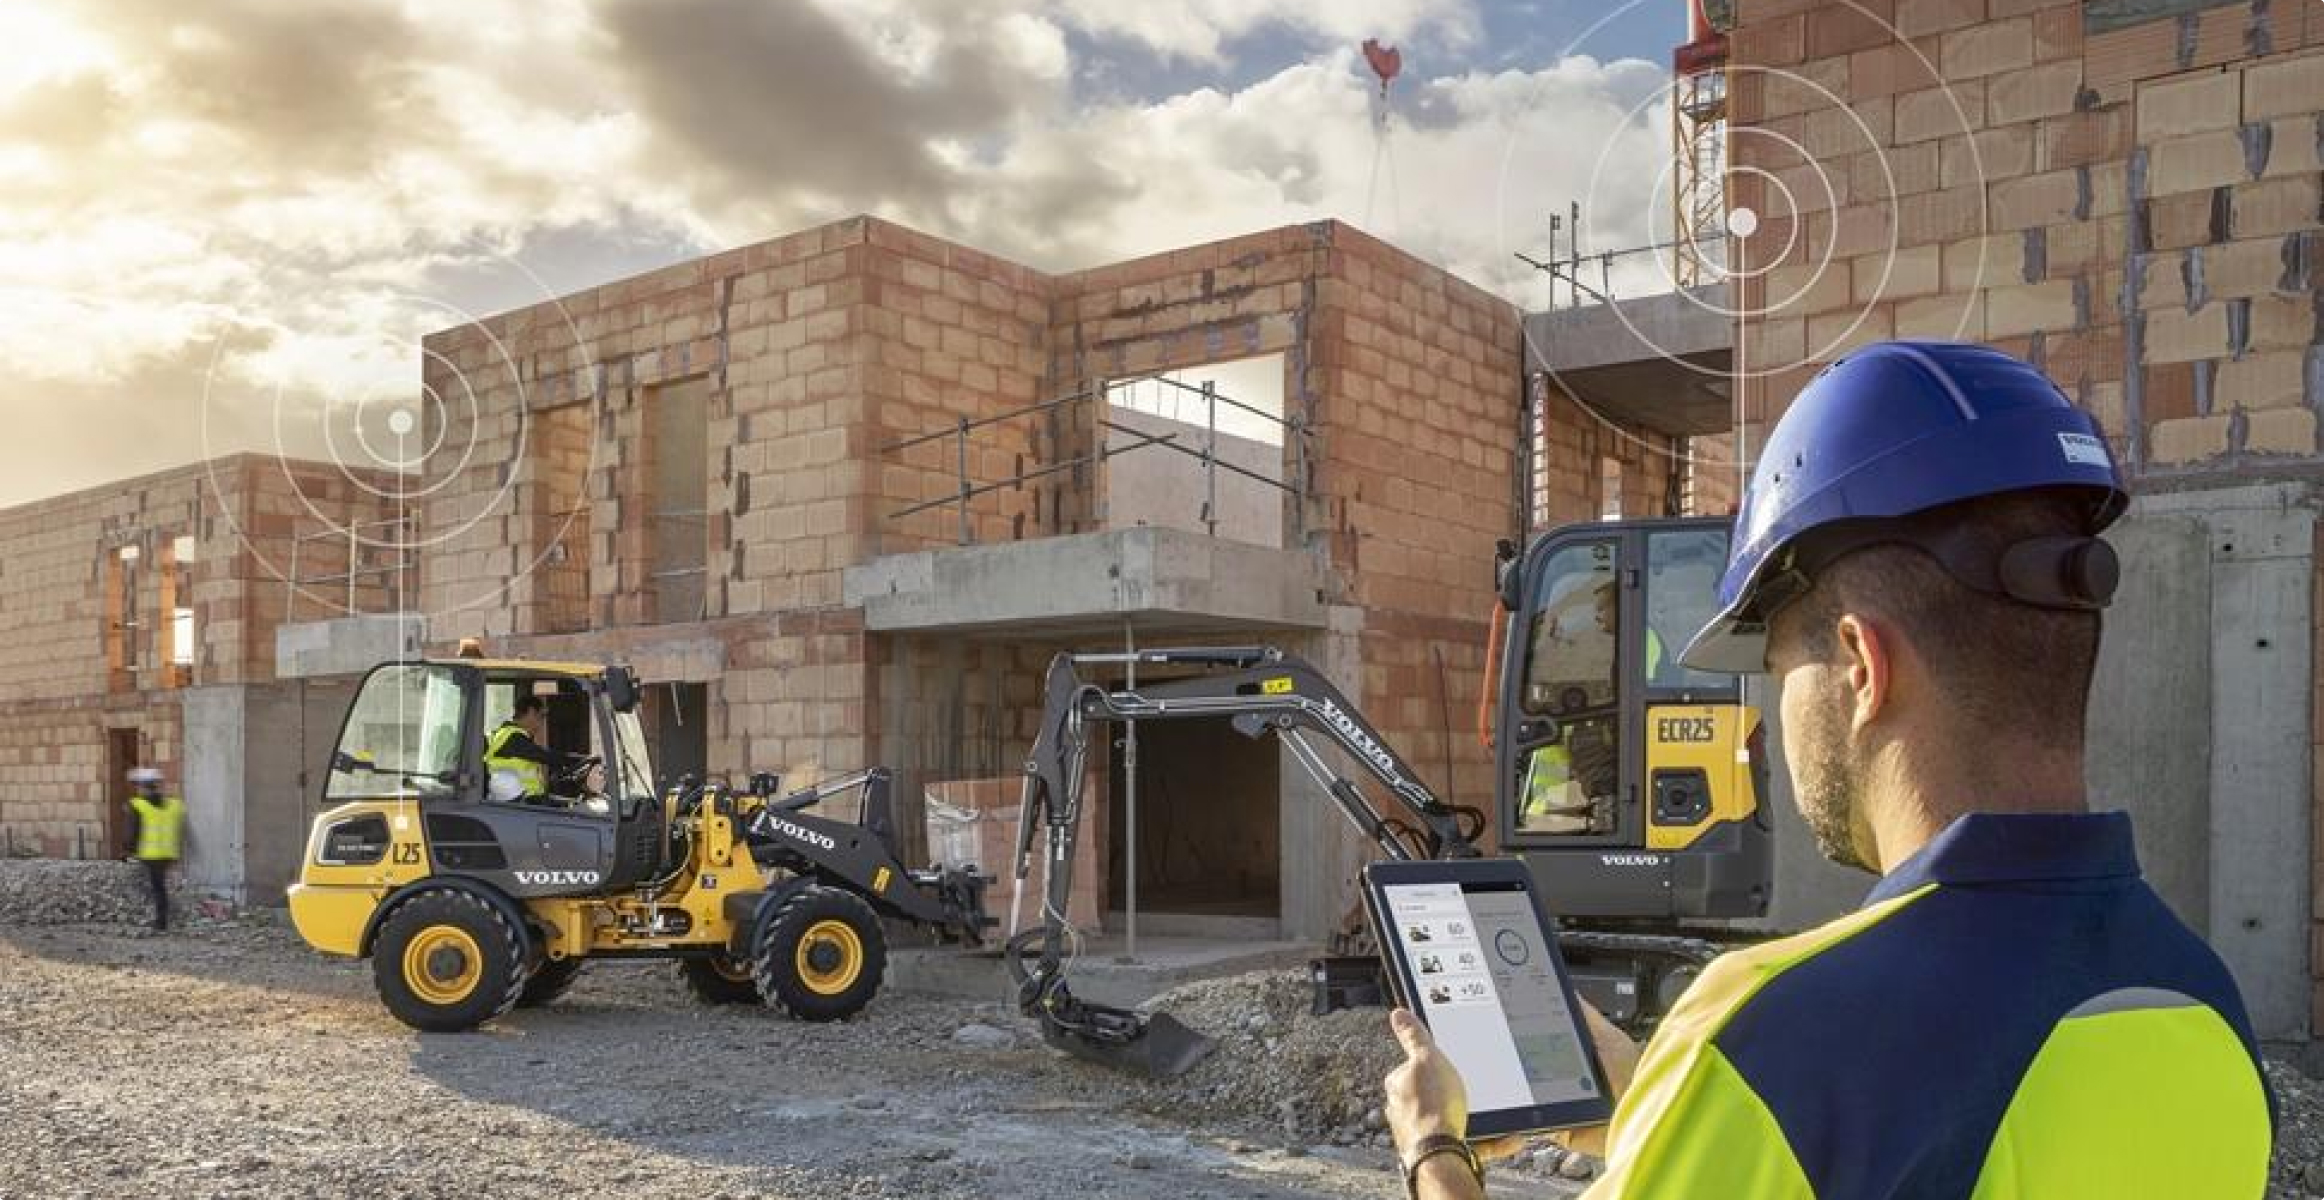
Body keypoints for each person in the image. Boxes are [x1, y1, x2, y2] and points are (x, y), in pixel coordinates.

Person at [1385, 341, 2274, 1198]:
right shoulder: (2200, 1001)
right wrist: (1668, 1111)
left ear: (1859, 667)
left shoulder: (1773, 1037)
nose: (1772, 721)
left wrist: (1436, 1151)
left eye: (1776, 672)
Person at [484, 694, 587, 804]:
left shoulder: (505, 735)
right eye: (541, 717)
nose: (541, 724)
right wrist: (581, 760)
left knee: (571, 803)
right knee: (574, 807)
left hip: (521, 800)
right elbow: (545, 756)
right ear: (531, 712)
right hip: (522, 802)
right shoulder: (513, 738)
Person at [123, 767, 183, 932]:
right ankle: (163, 916)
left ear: (143, 787)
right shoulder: (174, 805)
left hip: (150, 854)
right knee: (158, 886)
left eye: (139, 786)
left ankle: (162, 920)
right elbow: (181, 829)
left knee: (148, 886)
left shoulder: (137, 805)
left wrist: (127, 850)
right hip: (169, 854)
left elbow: (131, 831)